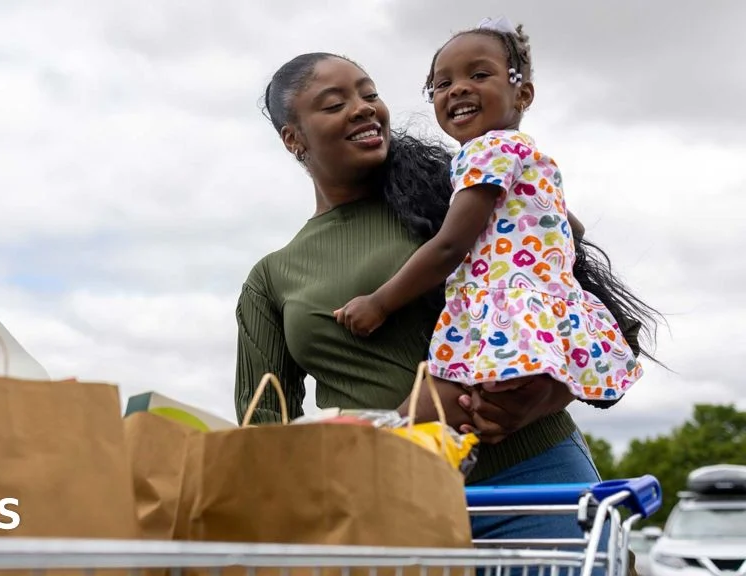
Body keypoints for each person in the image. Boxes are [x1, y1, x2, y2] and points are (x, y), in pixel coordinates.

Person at [234, 47, 660, 541]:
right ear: (293, 138)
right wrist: (389, 431)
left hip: (534, 485)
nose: (363, 108)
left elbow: (610, 334)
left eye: (370, 95)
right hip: (386, 509)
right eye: (334, 104)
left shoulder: (467, 199)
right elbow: (259, 432)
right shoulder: (272, 277)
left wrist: (546, 394)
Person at [332, 16, 645, 414]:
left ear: (523, 95)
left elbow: (449, 246)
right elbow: (572, 227)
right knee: (446, 427)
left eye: (479, 74)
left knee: (407, 428)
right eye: (442, 84)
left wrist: (379, 303)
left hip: (505, 320)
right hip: (545, 323)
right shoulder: (527, 154)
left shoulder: (485, 152)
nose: (459, 88)